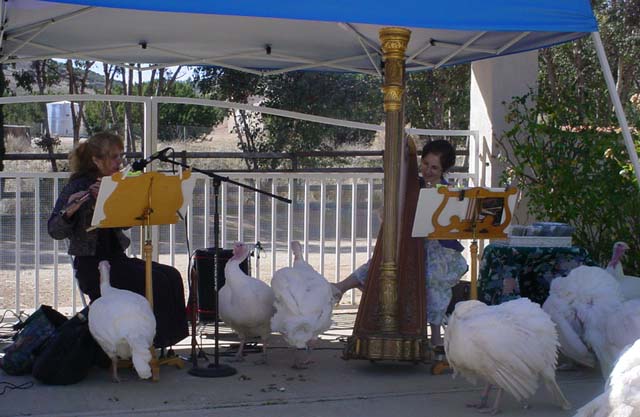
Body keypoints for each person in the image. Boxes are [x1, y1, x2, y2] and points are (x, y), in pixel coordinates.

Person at [47, 132, 188, 348]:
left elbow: (124, 224)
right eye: (113, 157)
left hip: (117, 259)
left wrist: (128, 200)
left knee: (170, 275)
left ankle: (165, 342)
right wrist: (72, 210)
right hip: (92, 266)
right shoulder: (77, 186)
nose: (119, 162)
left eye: (120, 156)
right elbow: (54, 230)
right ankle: (146, 346)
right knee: (156, 282)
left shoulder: (114, 182)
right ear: (96, 160)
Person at [334, 139, 468, 346]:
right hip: (414, 245)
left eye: (435, 167)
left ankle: (434, 334)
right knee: (384, 261)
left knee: (432, 276)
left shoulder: (449, 193)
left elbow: (449, 230)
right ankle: (340, 288)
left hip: (439, 250)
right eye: (425, 164)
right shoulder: (412, 185)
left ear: (444, 169)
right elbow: (393, 212)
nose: (428, 170)